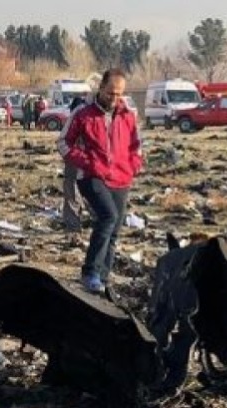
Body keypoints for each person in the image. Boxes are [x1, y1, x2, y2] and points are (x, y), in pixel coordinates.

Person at [58, 68, 143, 294]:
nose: (114, 99)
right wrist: (88, 162)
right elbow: (64, 143)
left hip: (121, 178)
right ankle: (90, 272)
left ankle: (102, 280)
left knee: (114, 230)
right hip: (92, 177)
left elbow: (136, 146)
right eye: (110, 93)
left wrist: (133, 165)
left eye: (119, 94)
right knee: (108, 217)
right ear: (101, 88)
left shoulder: (128, 115)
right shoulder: (83, 113)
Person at [62, 95, 88, 233]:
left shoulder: (78, 114)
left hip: (76, 159)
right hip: (89, 160)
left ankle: (73, 225)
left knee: (71, 190)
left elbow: (64, 141)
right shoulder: (91, 113)